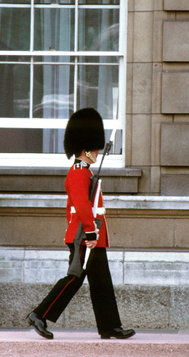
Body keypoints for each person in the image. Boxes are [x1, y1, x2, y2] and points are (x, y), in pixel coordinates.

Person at [26, 107, 135, 340]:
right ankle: (39, 314)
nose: (98, 151)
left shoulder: (84, 171)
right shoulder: (78, 171)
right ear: (86, 149)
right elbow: (83, 206)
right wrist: (91, 233)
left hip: (91, 235)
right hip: (84, 236)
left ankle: (110, 326)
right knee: (74, 278)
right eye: (95, 147)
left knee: (101, 282)